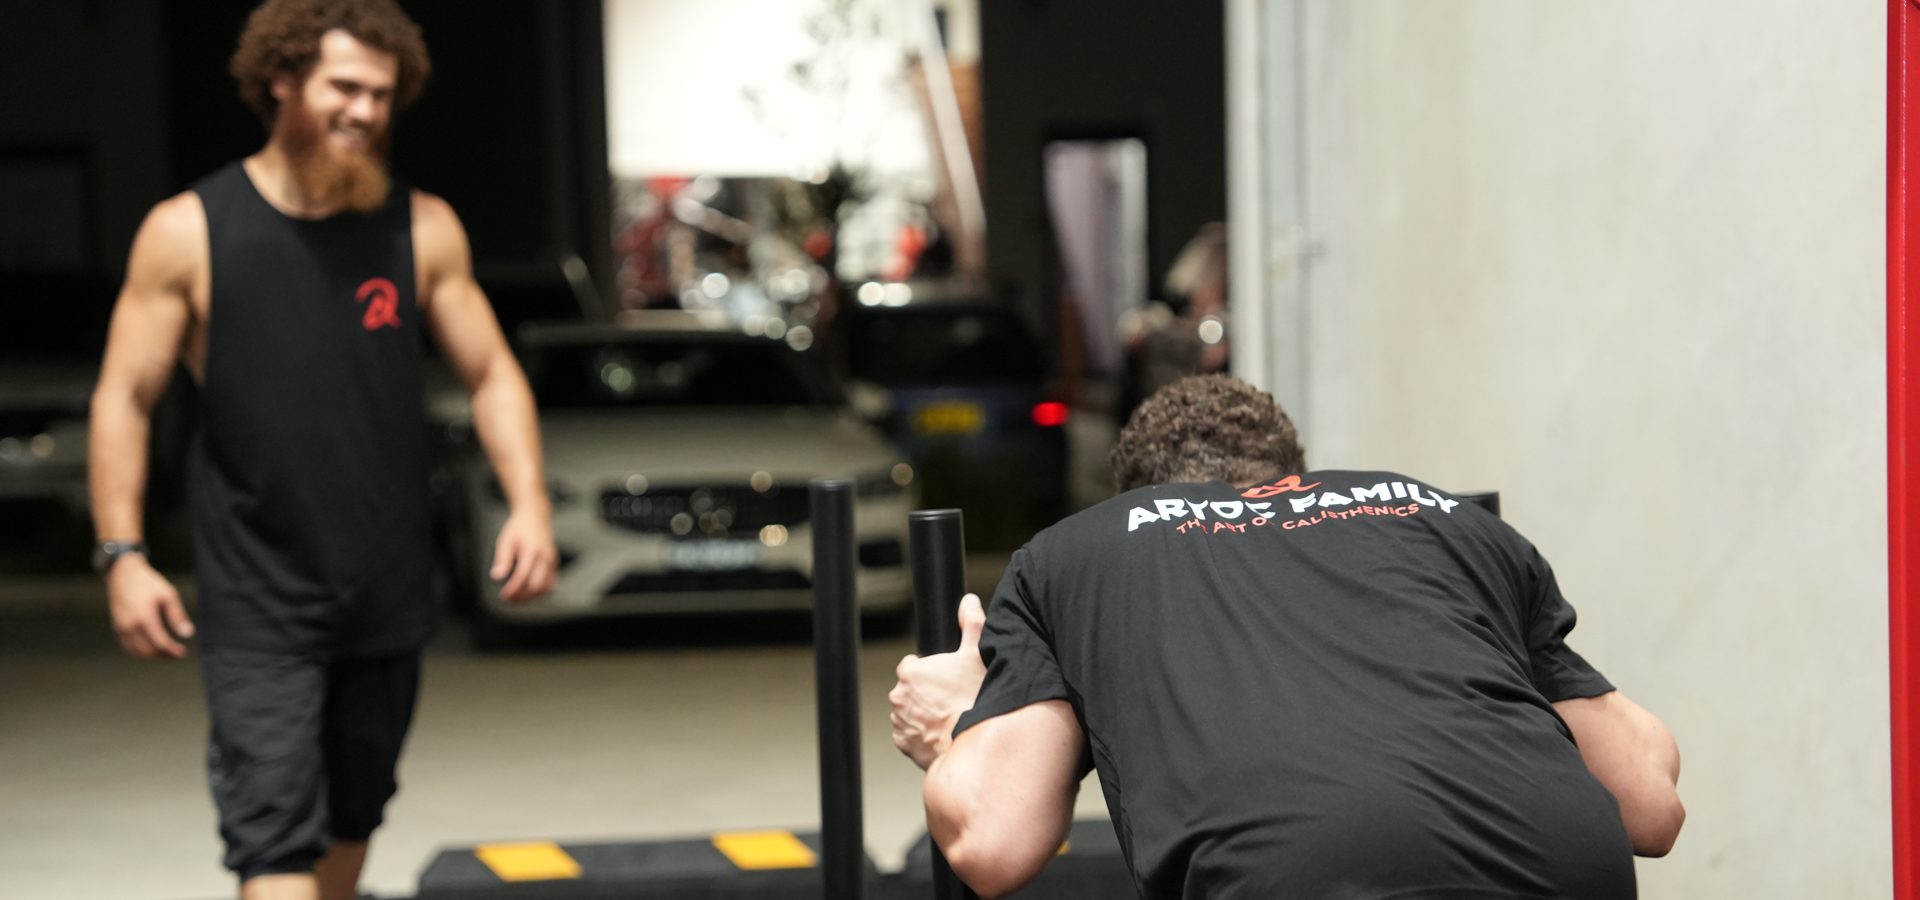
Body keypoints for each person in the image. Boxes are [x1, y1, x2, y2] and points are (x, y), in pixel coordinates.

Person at [87, 2, 557, 897]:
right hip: (258, 599)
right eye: (345, 87)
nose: (366, 111)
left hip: (385, 592)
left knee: (352, 817)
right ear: (281, 82)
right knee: (273, 843)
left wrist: (528, 504)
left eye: (383, 95)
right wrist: (123, 554)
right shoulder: (188, 230)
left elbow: (494, 372)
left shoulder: (421, 229)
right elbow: (125, 397)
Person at [889, 374, 1683, 899]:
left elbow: (996, 837)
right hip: (1567, 871)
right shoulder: (1443, 519)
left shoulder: (1077, 552)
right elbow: (1650, 806)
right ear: (1292, 471)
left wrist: (958, 727)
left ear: (1137, 495)